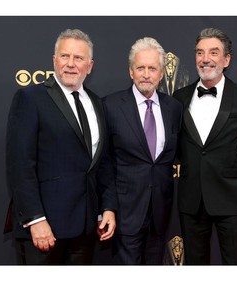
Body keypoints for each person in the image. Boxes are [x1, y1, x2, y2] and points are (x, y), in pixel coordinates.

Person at [4, 28, 117, 265]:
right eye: (65, 56)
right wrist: (36, 220)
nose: (71, 64)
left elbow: (102, 162)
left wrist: (107, 208)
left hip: (85, 230)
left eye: (78, 58)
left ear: (90, 65)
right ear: (55, 60)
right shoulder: (31, 98)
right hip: (46, 232)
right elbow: (20, 165)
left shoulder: (97, 103)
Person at [172, 27, 237, 265]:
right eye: (200, 52)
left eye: (213, 52)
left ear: (226, 59)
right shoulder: (179, 97)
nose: (205, 59)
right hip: (191, 201)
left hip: (233, 202)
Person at [99, 37, 183, 264]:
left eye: (152, 68)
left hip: (160, 211)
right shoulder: (110, 106)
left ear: (162, 73)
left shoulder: (174, 108)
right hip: (125, 213)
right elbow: (104, 162)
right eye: (140, 68)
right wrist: (108, 208)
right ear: (131, 72)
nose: (146, 74)